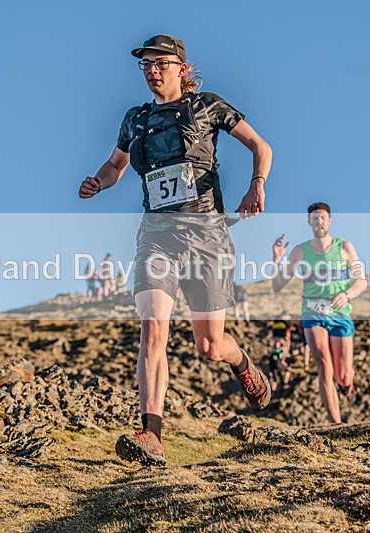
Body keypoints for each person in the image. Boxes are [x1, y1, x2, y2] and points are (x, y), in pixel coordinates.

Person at [78, 34, 273, 465]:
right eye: (146, 64)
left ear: (181, 69)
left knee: (210, 345)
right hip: (157, 235)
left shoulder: (207, 106)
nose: (152, 70)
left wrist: (256, 184)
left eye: (161, 63)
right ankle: (152, 434)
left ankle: (242, 363)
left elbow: (261, 147)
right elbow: (115, 164)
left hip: (206, 236)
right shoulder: (135, 119)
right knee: (153, 328)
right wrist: (98, 182)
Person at [270, 202, 368, 424]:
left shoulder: (345, 247)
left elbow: (362, 281)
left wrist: (347, 294)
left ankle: (346, 383)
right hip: (312, 313)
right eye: (315, 218)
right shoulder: (300, 251)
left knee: (343, 376)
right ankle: (337, 425)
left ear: (330, 221)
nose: (319, 221)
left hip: (340, 314)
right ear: (309, 222)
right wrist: (276, 260)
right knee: (324, 367)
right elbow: (277, 285)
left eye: (323, 217)